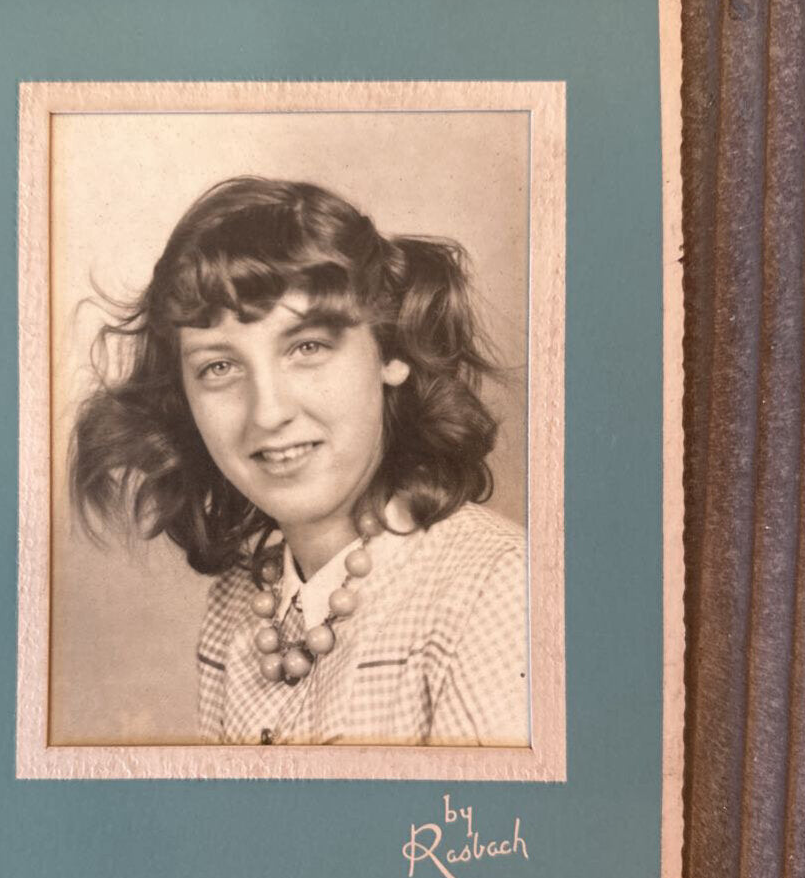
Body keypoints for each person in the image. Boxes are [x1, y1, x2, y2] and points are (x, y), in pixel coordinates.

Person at [69, 176, 529, 747]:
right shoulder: (239, 606)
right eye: (218, 367)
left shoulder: (493, 591)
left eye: (307, 347)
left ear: (391, 350)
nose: (268, 413)